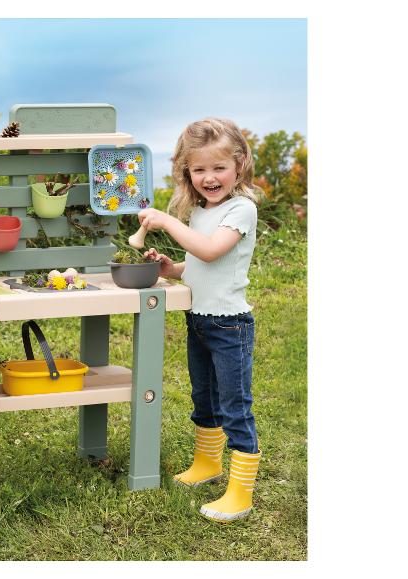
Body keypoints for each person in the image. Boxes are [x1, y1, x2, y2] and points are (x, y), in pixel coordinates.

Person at [137, 118, 263, 522]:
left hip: (230, 327)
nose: (209, 178)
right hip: (200, 321)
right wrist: (169, 267)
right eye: (199, 170)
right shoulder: (200, 213)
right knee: (203, 399)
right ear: (187, 172)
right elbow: (198, 264)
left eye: (218, 167)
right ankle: (208, 464)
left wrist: (167, 222)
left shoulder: (241, 209)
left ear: (239, 165)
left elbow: (211, 251)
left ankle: (241, 492)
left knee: (234, 406)